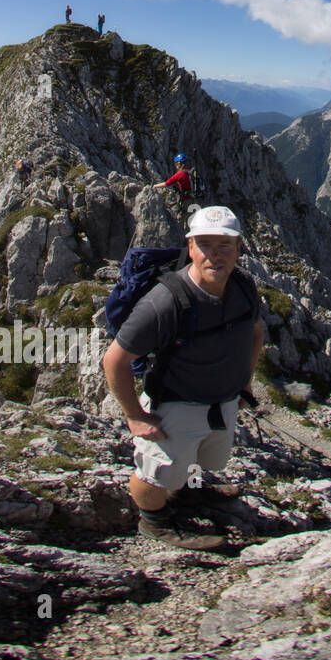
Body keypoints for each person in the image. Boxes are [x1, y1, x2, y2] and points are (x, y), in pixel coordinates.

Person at [100, 205, 265, 532]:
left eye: (224, 246)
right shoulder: (165, 302)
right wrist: (134, 416)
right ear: (190, 248)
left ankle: (189, 490)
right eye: (204, 245)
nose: (214, 256)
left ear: (238, 249)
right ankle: (154, 520)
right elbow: (113, 361)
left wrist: (245, 383)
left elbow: (255, 332)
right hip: (174, 405)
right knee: (156, 475)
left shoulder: (243, 286)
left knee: (207, 458)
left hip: (223, 402)